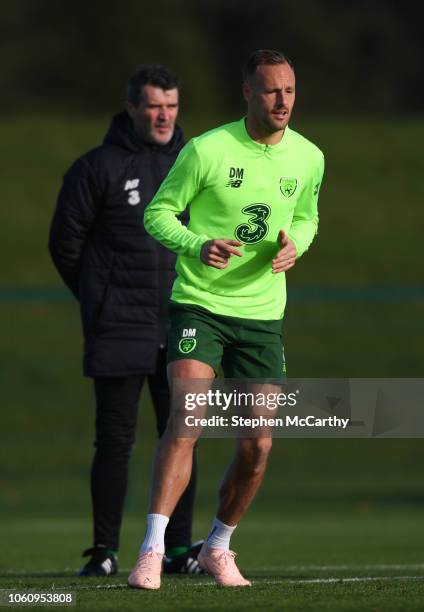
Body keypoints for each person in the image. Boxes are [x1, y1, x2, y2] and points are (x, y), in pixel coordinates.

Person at [127, 49, 325, 590]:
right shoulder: (207, 150)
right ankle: (151, 549)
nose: (282, 101)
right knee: (186, 421)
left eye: (289, 90)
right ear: (247, 93)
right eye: (270, 91)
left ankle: (218, 546)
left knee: (257, 443)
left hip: (262, 316)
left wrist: (294, 248)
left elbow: (306, 217)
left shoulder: (309, 157)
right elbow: (157, 213)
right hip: (201, 305)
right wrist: (197, 244)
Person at [49, 65, 204, 577]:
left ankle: (178, 551)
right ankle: (105, 552)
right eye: (155, 105)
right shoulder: (97, 168)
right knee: (114, 440)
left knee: (181, 434)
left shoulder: (193, 164)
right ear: (133, 107)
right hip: (118, 325)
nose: (165, 115)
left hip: (180, 323)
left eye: (172, 106)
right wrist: (100, 297)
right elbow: (65, 243)